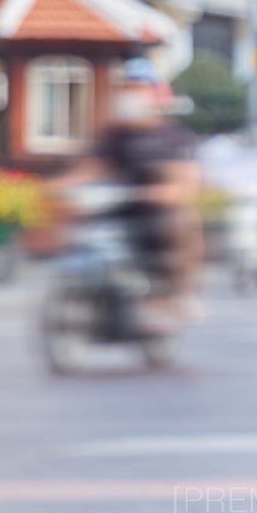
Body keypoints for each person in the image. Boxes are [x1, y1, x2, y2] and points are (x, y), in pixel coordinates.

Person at [86, 60, 203, 319]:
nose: (131, 95)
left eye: (137, 88)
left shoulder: (171, 136)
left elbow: (184, 180)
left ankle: (181, 293)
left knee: (179, 224)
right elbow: (91, 167)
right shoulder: (115, 135)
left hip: (155, 212)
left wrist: (166, 192)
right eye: (127, 88)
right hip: (116, 207)